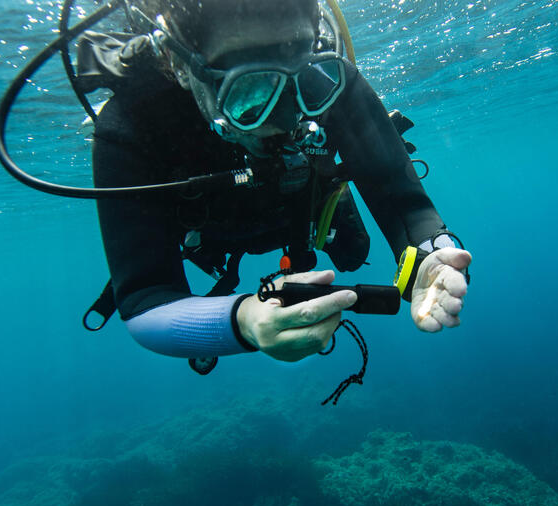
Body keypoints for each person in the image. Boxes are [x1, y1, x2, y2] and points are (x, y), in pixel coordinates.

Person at [92, 0, 472, 368]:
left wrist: (429, 256)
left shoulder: (329, 76)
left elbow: (407, 204)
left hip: (304, 206)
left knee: (354, 252)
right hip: (209, 234)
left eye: (302, 78)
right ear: (179, 64)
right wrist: (243, 321)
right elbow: (144, 303)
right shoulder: (133, 122)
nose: (286, 117)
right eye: (251, 90)